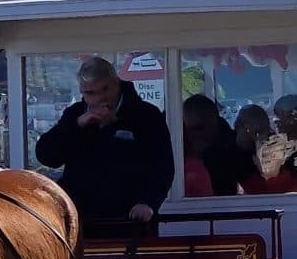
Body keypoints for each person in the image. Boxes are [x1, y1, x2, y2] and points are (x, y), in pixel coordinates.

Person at [35, 56, 174, 229]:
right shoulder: (75, 115)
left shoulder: (145, 115)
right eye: (91, 93)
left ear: (117, 82)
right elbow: (46, 155)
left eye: (105, 89)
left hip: (129, 221)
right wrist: (77, 125)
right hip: (81, 221)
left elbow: (162, 166)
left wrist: (148, 203)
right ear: (82, 93)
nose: (100, 98)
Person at [233, 105, 297, 194]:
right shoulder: (244, 187)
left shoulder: (295, 186)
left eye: (259, 130)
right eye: (264, 155)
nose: (268, 158)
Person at [183, 94, 238, 196]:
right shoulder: (179, 152)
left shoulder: (232, 149)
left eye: (199, 128)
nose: (194, 136)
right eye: (190, 130)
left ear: (214, 120)